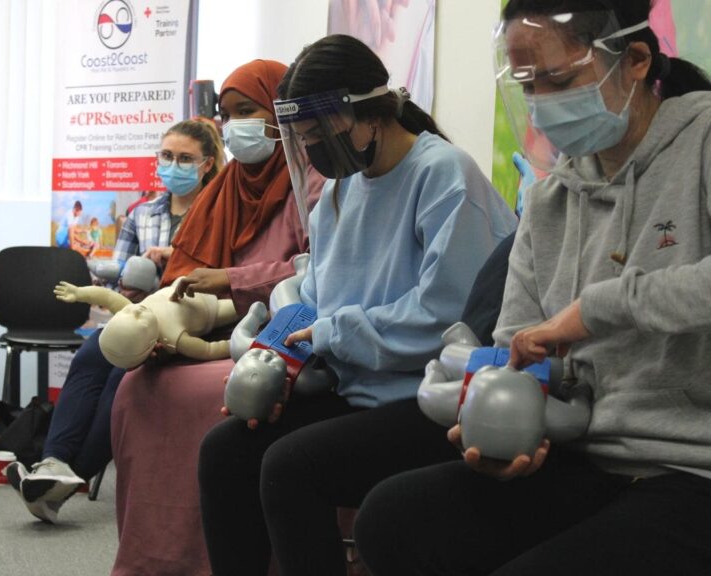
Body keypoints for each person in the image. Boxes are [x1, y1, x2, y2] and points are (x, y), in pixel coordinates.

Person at [359, 2, 711, 575]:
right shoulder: (551, 199)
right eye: (528, 83)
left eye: (560, 79)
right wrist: (505, 427)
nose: (544, 101)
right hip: (585, 456)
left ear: (637, 60)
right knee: (393, 519)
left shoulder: (702, 141)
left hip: (692, 469)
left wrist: (596, 308)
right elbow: (520, 343)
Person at [194, 35, 517, 576]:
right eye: (303, 137)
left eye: (321, 132)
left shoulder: (443, 175)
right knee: (225, 450)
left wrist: (329, 334)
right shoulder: (340, 194)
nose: (315, 147)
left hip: (430, 398)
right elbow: (314, 304)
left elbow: (449, 321)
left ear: (371, 113)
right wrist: (278, 366)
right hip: (361, 391)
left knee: (291, 467)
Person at [108, 59, 322, 576]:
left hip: (282, 336)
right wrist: (161, 330)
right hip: (208, 333)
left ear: (281, 110)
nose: (234, 127)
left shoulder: (312, 179)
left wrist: (233, 279)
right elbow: (181, 279)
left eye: (246, 111)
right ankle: (151, 562)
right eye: (226, 116)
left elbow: (318, 272)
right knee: (135, 388)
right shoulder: (225, 188)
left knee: (216, 391)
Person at [4, 119, 224, 523]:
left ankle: (68, 478)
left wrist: (172, 262)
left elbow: (222, 279)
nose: (173, 165)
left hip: (189, 323)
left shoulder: (220, 211)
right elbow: (121, 274)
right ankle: (53, 465)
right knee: (91, 355)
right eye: (167, 156)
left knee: (120, 378)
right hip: (139, 315)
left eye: (185, 158)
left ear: (207, 163)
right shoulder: (143, 213)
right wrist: (133, 281)